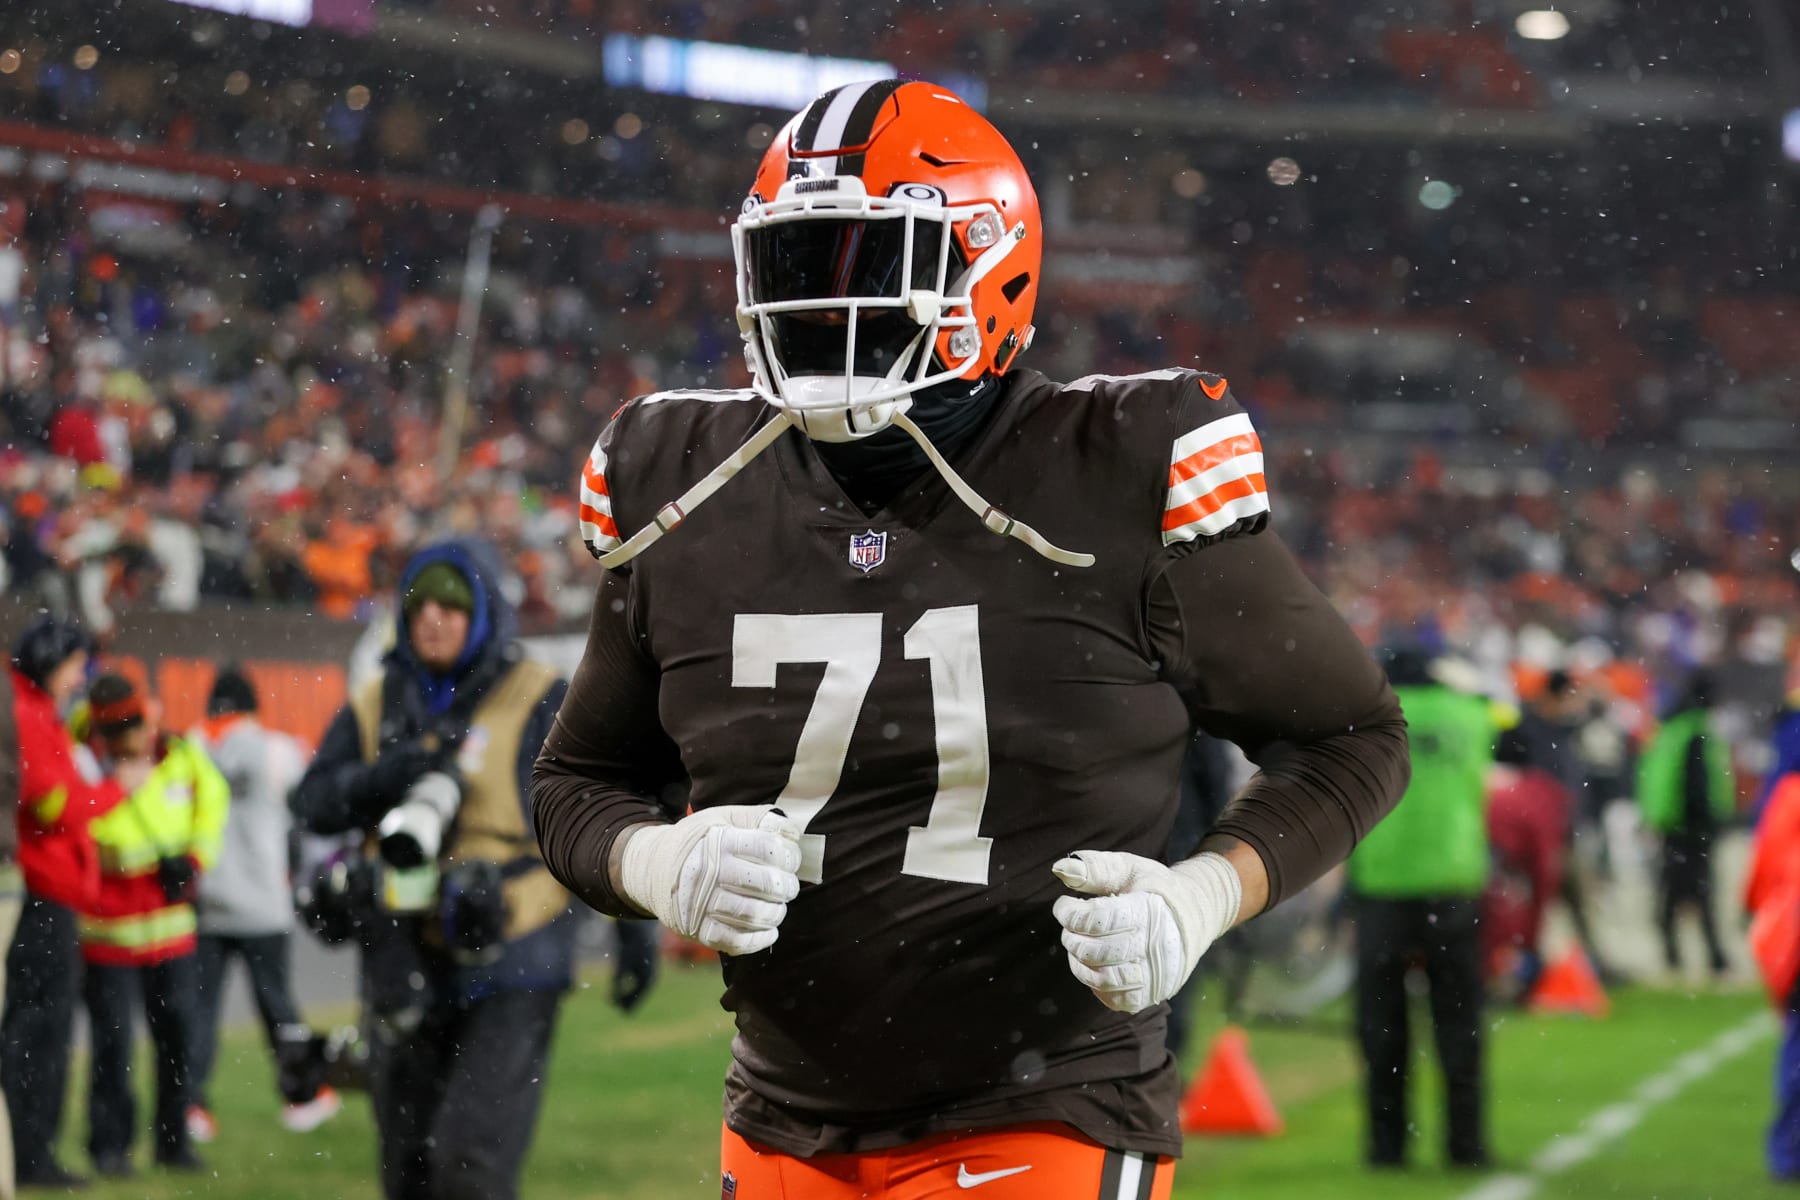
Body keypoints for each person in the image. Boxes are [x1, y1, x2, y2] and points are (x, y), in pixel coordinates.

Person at [532, 80, 1410, 1199]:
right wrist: (650, 861)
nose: (826, 307)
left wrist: (1205, 896)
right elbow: (575, 782)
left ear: (989, 271)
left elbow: (1351, 736)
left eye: (871, 265)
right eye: (803, 266)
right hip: (777, 1118)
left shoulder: (1116, 467)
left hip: (1045, 1107)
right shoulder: (680, 481)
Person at [290, 539, 575, 1200]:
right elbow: (312, 803)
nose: (434, 620)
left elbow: (587, 817)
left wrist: (629, 933)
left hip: (511, 956)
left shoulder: (537, 694)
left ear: (483, 611)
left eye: (453, 605)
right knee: (408, 1172)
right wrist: (383, 776)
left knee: (470, 1168)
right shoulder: (377, 698)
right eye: (420, 606)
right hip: (401, 958)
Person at [1346, 647, 1494, 1170]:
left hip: (1382, 888)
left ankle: (1386, 1149)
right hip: (1453, 889)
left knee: (1381, 1032)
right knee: (1461, 1026)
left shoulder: (1365, 721)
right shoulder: (1472, 716)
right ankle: (1467, 1147)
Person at [2, 618, 138, 1190]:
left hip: (50, 893)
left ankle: (34, 1152)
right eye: (75, 666)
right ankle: (32, 1155)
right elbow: (52, 804)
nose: (80, 679)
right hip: (44, 895)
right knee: (38, 1034)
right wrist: (111, 791)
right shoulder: (29, 714)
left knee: (43, 1033)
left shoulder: (35, 711)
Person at [76, 673, 226, 1176]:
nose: (129, 736)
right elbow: (87, 829)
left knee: (178, 1039)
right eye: (116, 727)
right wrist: (117, 791)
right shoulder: (88, 764)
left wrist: (194, 860)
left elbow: (214, 802)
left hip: (171, 926)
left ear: (153, 713)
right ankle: (110, 1147)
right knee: (113, 1047)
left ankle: (173, 1142)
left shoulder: (182, 756)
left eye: (135, 723)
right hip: (109, 930)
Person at [187, 666, 340, 1143]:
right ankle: (303, 1096)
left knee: (199, 1011)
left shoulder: (191, 747)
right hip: (261, 901)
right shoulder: (276, 749)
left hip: (207, 897)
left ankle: (192, 1105)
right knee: (278, 1006)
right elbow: (308, 798)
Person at [1637, 671, 1735, 980]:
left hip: (1673, 826)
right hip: (1692, 828)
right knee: (1698, 892)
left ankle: (1674, 952)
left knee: (1672, 891)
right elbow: (1699, 786)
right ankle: (1713, 955)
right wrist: (1710, 822)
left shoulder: (1672, 728)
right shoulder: (1698, 732)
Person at [1745, 702, 1800, 1181]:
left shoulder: (1787, 795)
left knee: (1797, 1046)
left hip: (1794, 935)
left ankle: (1787, 1153)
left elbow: (1763, 872)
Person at [1481, 726, 1571, 1003]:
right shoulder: (1538, 791)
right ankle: (1511, 982)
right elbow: (1545, 861)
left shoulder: (1475, 779)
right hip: (1510, 875)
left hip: (1469, 870)